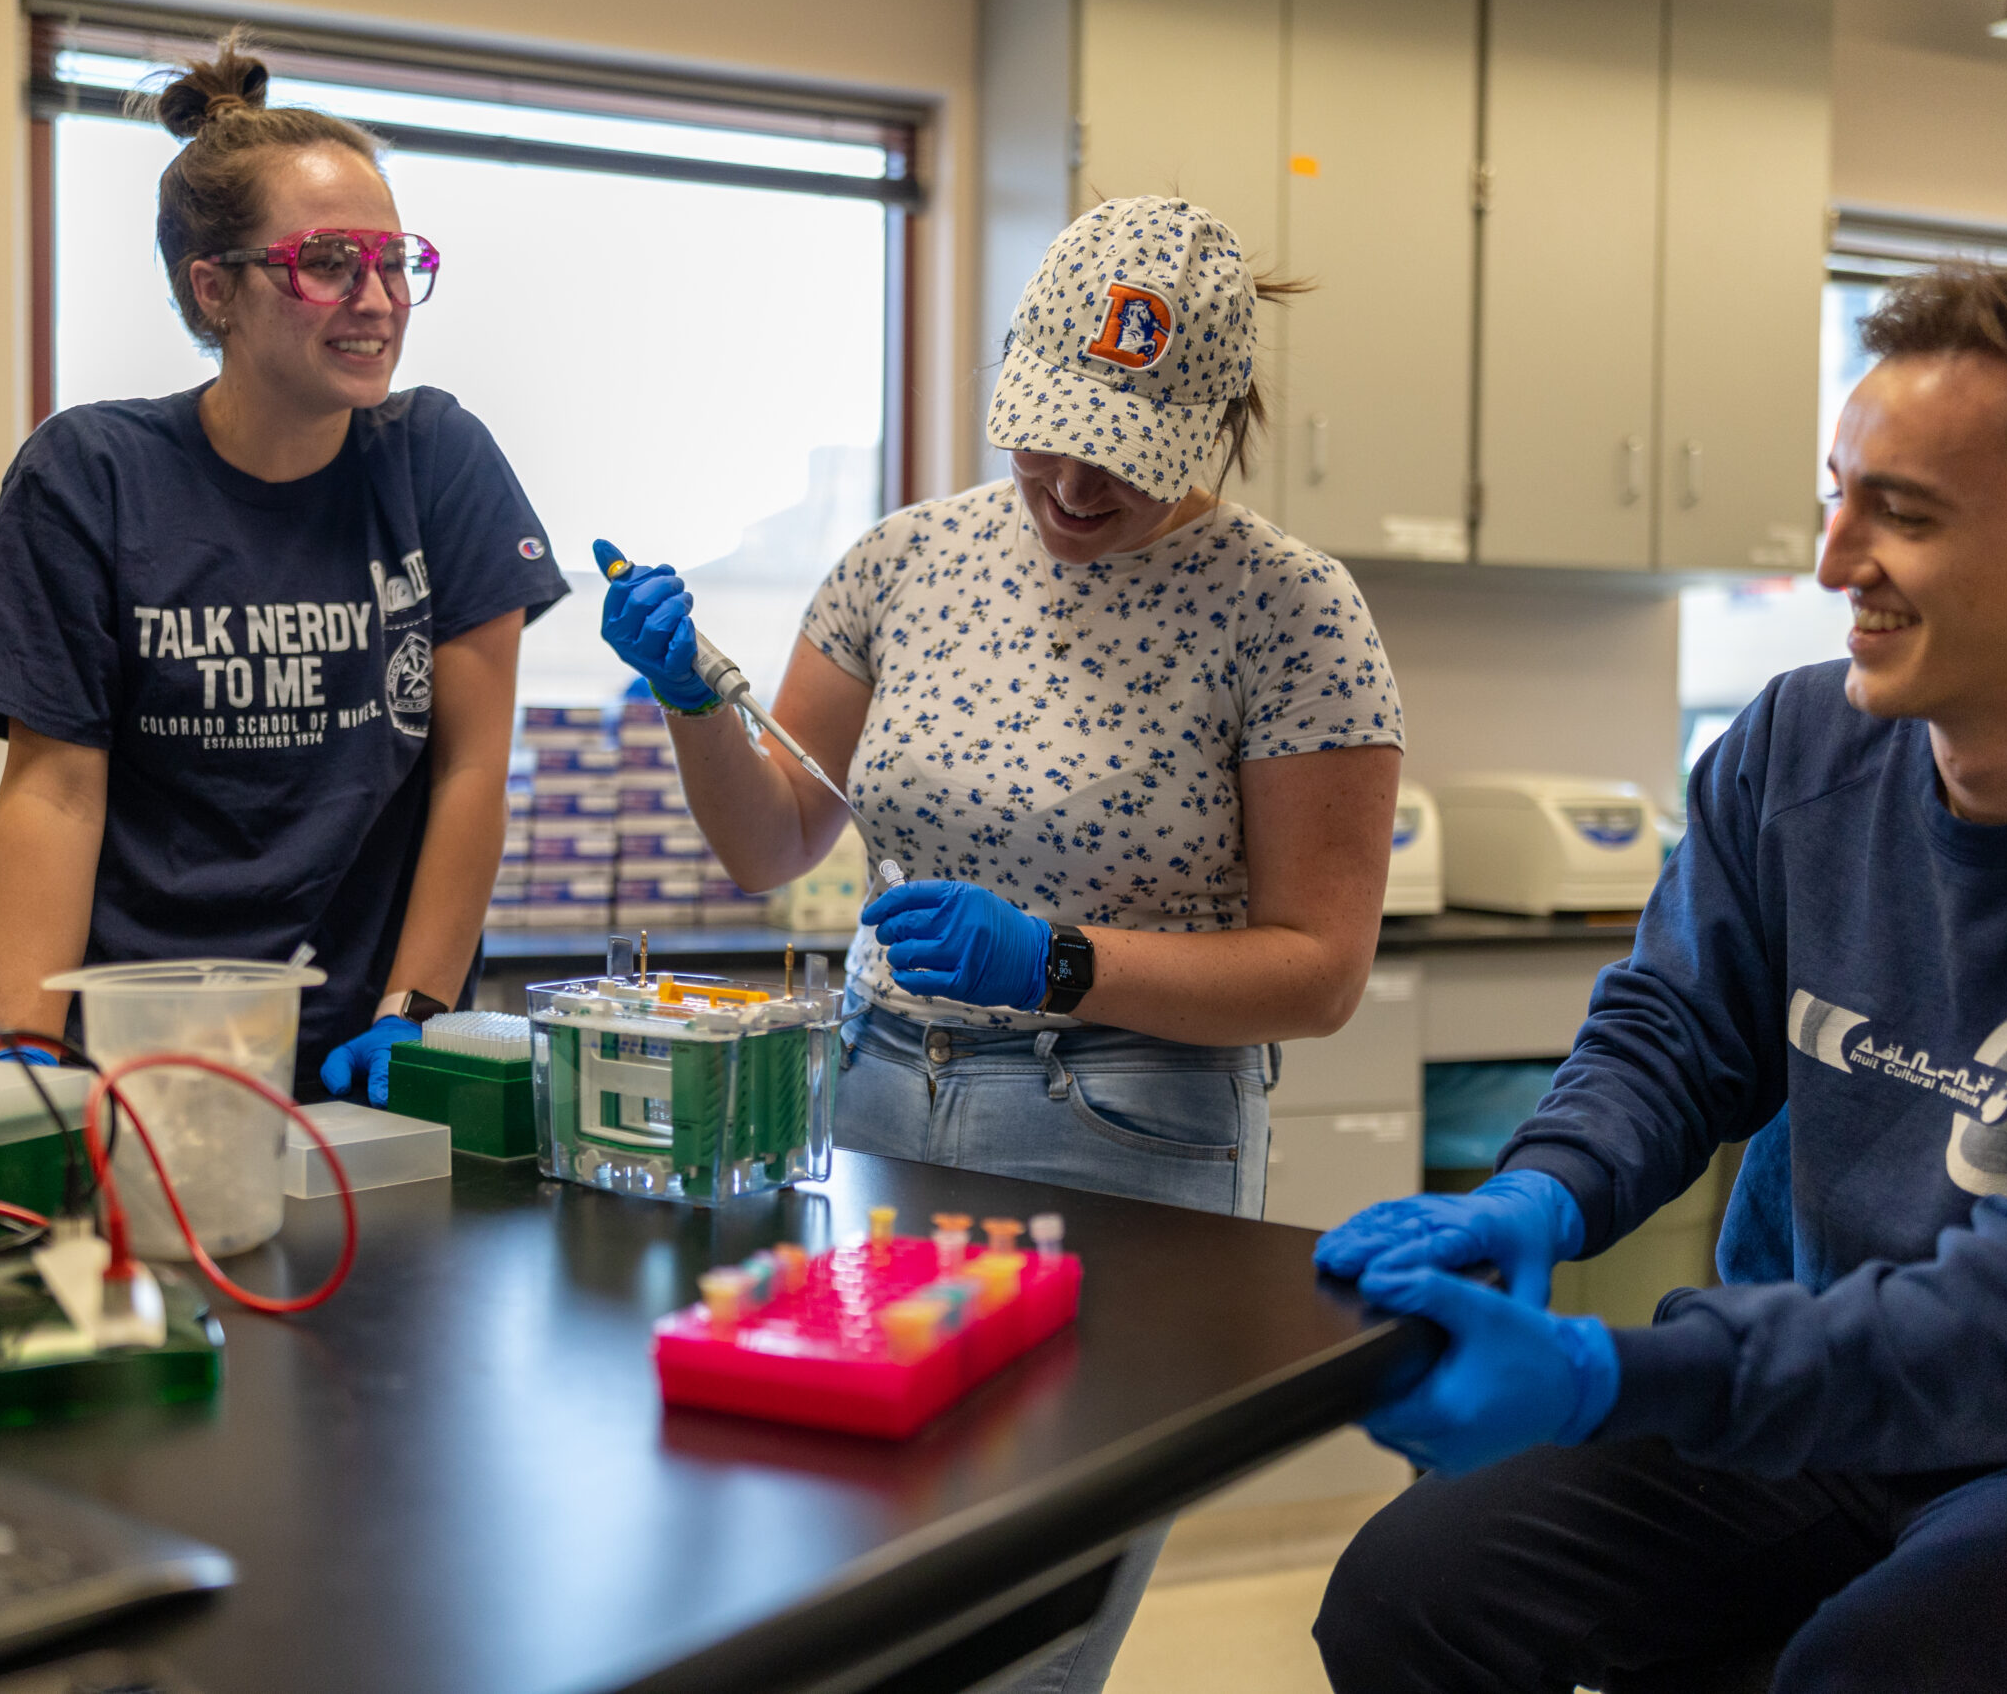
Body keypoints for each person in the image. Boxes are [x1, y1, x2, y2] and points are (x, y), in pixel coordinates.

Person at [597, 196, 1406, 1693]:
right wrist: (694, 703)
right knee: (854, 1571)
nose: (1070, 479)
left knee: (1027, 1630)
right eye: (1045, 429)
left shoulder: (1296, 613)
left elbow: (1319, 965)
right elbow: (773, 837)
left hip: (1127, 1123)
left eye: (1120, 450)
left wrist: (1059, 957)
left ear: (1216, 423)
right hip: (877, 1103)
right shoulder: (905, 560)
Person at [1312, 249, 2007, 1693]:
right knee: (1412, 1590)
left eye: (1907, 513)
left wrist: (1607, 1370)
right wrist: (1541, 1185)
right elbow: (1675, 1029)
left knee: (1870, 1668)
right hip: (1826, 1394)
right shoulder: (1802, 746)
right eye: (1839, 489)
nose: (1831, 559)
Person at [0, 37, 565, 1099]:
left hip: (361, 1048)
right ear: (214, 289)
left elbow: (469, 769)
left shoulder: (437, 461)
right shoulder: (90, 476)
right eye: (329, 263)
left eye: (393, 261)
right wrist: (26, 1051)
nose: (376, 298)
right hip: (138, 1051)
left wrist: (416, 1010)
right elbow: (55, 790)